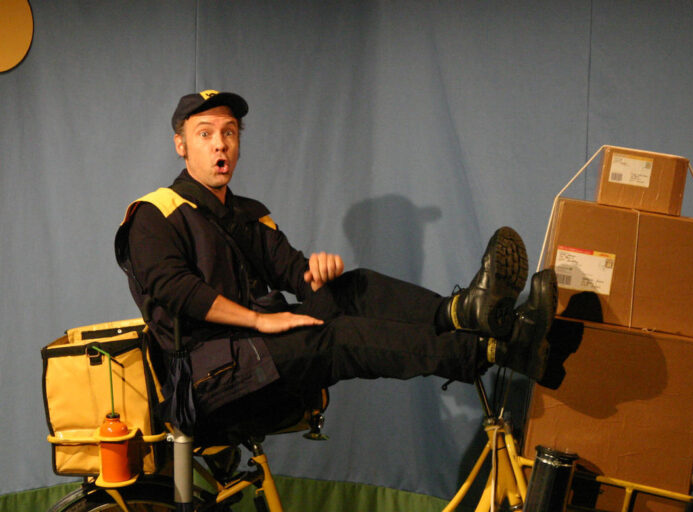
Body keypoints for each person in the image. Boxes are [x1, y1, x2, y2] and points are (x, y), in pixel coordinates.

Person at [114, 90, 578, 442]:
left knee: (352, 286)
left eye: (230, 133)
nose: (221, 144)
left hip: (259, 354)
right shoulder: (155, 213)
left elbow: (294, 273)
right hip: (205, 383)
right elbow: (178, 291)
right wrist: (259, 320)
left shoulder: (248, 214)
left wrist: (315, 273)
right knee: (335, 338)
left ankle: (472, 314)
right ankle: (489, 351)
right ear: (181, 145)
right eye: (206, 133)